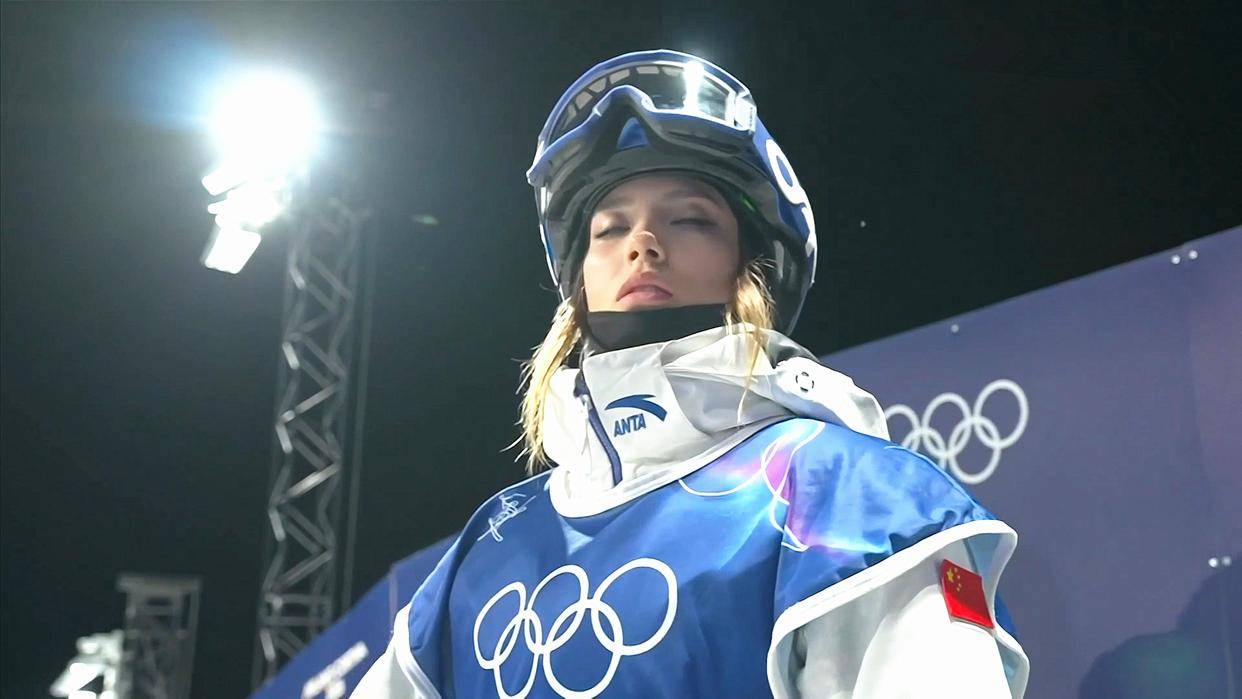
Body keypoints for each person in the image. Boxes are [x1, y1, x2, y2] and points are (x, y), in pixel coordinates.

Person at [353, 49, 1029, 698]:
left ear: (751, 267)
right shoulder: (485, 553)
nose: (643, 244)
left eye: (689, 220)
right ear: (577, 280)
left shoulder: (846, 497)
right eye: (609, 229)